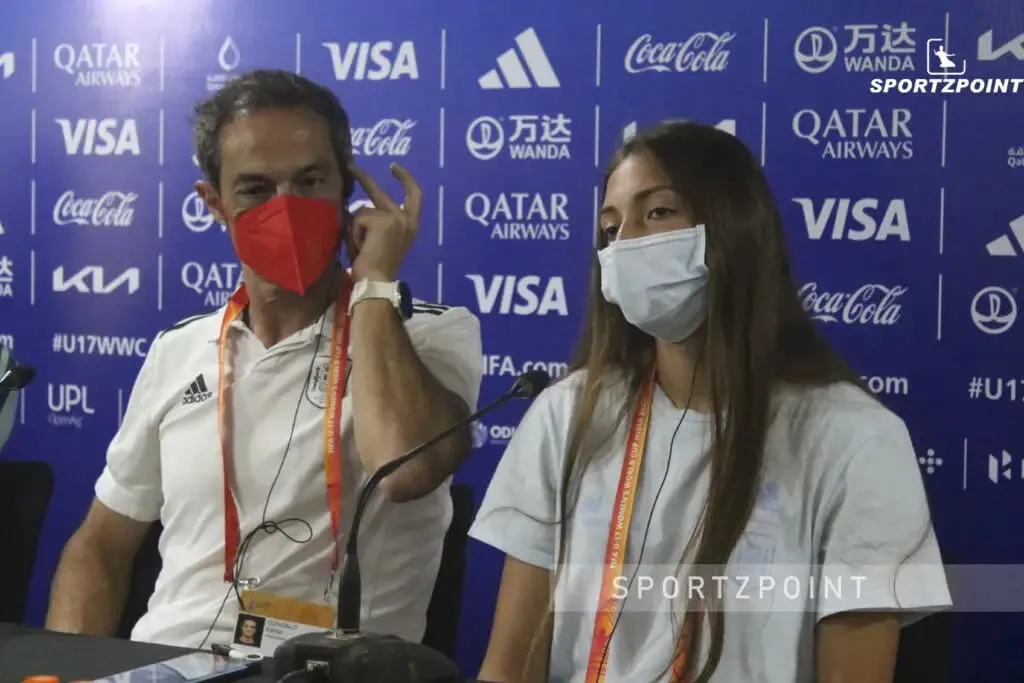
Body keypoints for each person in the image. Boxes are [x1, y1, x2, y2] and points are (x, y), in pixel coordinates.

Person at [468, 121, 951, 682]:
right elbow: (506, 668)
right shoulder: (567, 413)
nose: (625, 243)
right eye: (610, 226)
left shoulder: (855, 438)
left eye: (657, 213)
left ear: (732, 229)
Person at [45, 69, 483, 649]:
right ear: (214, 204)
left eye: (310, 181)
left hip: (330, 667)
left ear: (346, 191)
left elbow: (406, 470)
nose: (287, 207)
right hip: (170, 663)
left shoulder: (429, 334)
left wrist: (374, 285)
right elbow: (99, 546)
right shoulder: (179, 349)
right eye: (255, 188)